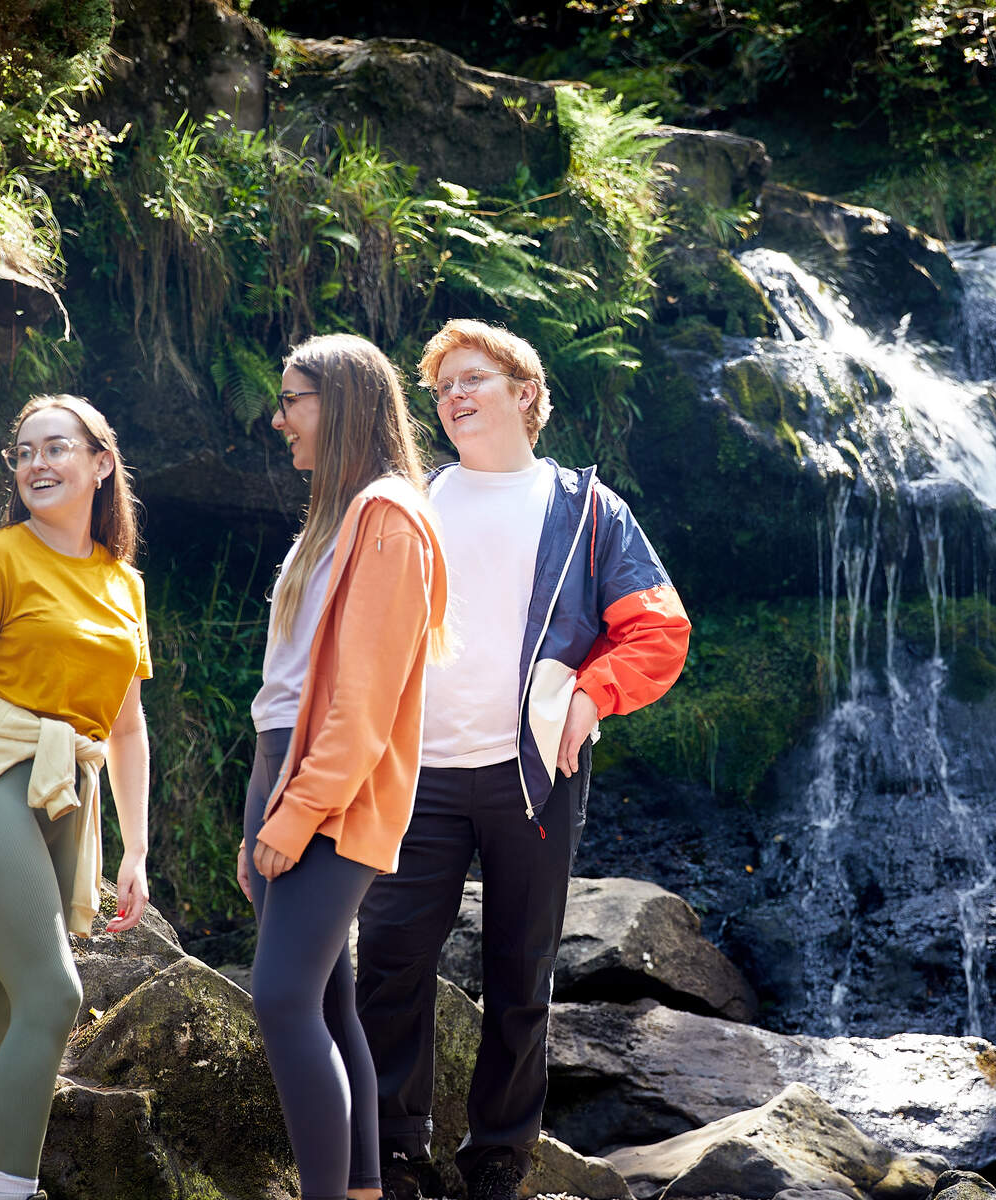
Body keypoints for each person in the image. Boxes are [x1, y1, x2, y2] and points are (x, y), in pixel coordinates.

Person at [357, 319, 691, 1200]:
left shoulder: (586, 508)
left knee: (519, 970)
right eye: (442, 388)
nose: (454, 397)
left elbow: (658, 628)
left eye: (473, 380)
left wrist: (590, 697)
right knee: (388, 957)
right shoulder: (411, 501)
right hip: (415, 772)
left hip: (533, 774)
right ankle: (394, 1152)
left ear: (525, 395)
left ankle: (499, 1158)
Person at [0, 394, 154, 1200]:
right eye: (23, 452)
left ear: (101, 462)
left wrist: (136, 850)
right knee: (53, 994)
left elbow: (124, 727)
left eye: (56, 448)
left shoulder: (123, 583)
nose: (37, 464)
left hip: (67, 791)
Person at [240, 333, 452, 1200]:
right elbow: (286, 691)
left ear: (345, 402)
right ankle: (362, 1189)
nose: (279, 417)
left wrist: (295, 814)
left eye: (293, 399)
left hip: (332, 791)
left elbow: (360, 700)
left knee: (281, 1001)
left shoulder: (389, 519)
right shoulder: (332, 520)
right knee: (327, 1004)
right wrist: (262, 806)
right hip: (283, 770)